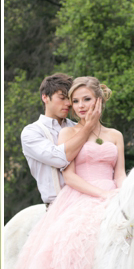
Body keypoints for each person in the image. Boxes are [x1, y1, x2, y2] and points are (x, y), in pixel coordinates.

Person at [5, 76, 126, 269]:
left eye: (83, 99)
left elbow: (120, 171)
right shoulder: (40, 133)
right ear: (46, 97)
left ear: (99, 99)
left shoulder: (111, 134)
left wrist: (124, 196)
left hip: (110, 194)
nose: (73, 105)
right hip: (66, 201)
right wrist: (104, 195)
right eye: (68, 99)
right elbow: (63, 165)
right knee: (62, 258)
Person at [20, 73, 101, 206]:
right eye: (62, 98)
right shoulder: (31, 132)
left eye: (70, 99)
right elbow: (59, 159)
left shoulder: (77, 127)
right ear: (45, 97)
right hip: (56, 206)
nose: (68, 104)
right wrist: (88, 128)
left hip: (88, 200)